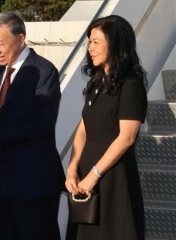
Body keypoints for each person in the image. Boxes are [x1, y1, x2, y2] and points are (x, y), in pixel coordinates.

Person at [0, 11, 65, 240]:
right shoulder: (0, 72)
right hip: (3, 183)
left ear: (20, 39)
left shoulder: (44, 71)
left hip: (34, 183)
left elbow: (42, 123)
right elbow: (0, 120)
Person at [64, 15, 147, 240]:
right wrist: (72, 168)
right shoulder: (98, 81)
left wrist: (94, 175)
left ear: (116, 44)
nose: (90, 48)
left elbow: (127, 138)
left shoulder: (131, 84)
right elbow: (83, 130)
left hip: (113, 177)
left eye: (96, 42)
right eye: (89, 42)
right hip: (87, 173)